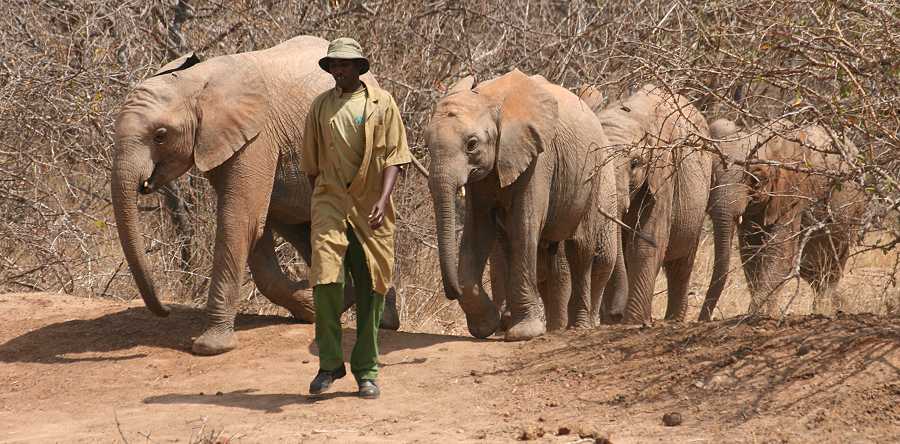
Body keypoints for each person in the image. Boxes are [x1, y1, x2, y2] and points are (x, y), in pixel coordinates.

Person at [301, 37, 411, 399]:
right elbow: (312, 166)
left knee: (372, 288)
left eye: (345, 64)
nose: (338, 69)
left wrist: (382, 199)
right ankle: (330, 364)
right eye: (333, 64)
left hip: (371, 208)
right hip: (331, 203)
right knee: (326, 282)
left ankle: (367, 371)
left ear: (359, 67)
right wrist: (325, 199)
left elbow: (396, 156)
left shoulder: (383, 104)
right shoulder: (320, 108)